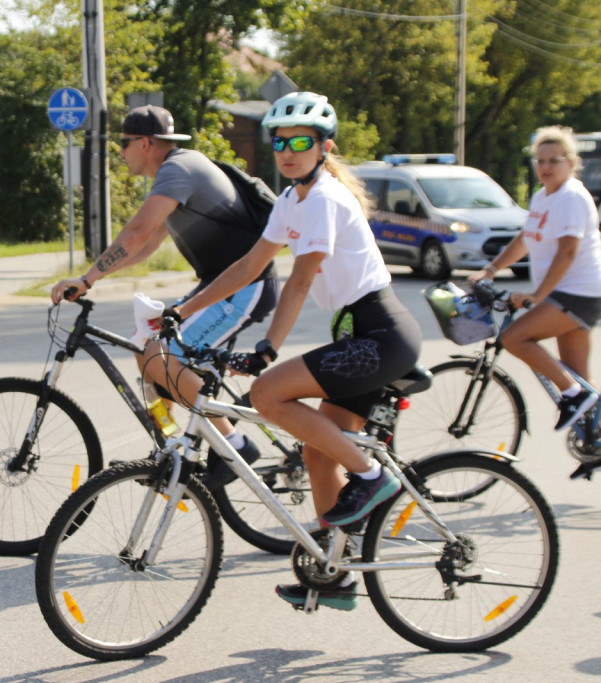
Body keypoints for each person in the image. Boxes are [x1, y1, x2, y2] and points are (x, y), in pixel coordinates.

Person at [169, 91, 422, 611]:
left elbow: (302, 278)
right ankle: (336, 574)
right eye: (280, 141)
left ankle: (375, 478)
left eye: (300, 141)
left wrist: (268, 348)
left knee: (267, 392)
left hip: (381, 335)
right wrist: (183, 310)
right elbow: (247, 267)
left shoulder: (326, 199)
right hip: (359, 337)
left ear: (324, 147)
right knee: (316, 453)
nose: (288, 150)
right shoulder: (291, 201)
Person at [50, 105, 280, 481]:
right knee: (148, 355)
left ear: (144, 143)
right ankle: (172, 443)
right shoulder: (176, 171)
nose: (120, 152)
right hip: (220, 286)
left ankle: (236, 447)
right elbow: (147, 244)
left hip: (243, 287)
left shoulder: (177, 169)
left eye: (123, 144)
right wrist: (93, 279)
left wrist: (87, 280)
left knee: (162, 357)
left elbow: (137, 232)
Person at [470, 125, 601, 433]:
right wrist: (490, 270)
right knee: (576, 374)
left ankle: (576, 396)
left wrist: (537, 296)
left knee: (513, 338)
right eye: (541, 161)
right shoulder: (543, 197)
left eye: (554, 161)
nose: (545, 167)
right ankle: (598, 442)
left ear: (571, 164)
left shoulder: (571, 197)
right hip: (566, 294)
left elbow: (567, 254)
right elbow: (525, 239)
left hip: (579, 294)